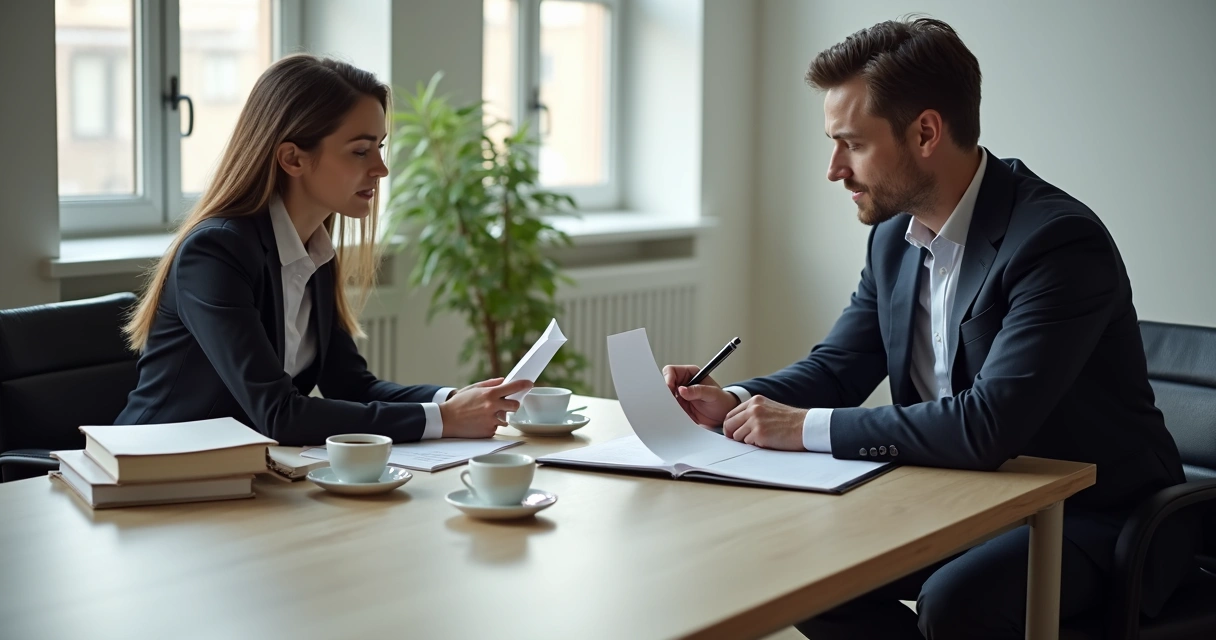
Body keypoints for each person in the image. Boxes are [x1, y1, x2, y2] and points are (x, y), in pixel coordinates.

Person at [662, 18, 1186, 639]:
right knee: (802, 570)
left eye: (852, 144)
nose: (834, 169)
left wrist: (800, 428)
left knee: (957, 602)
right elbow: (838, 366)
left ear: (926, 132)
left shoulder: (1055, 242)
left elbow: (987, 424)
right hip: (953, 500)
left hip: (1091, 519)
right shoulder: (893, 238)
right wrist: (736, 402)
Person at [117, 55, 529, 445]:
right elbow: (279, 414)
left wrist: (450, 400)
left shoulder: (314, 252)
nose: (381, 169)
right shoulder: (215, 254)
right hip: (151, 480)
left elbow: (352, 385)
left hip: (239, 477)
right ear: (293, 159)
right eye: (360, 150)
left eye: (380, 147)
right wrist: (444, 421)